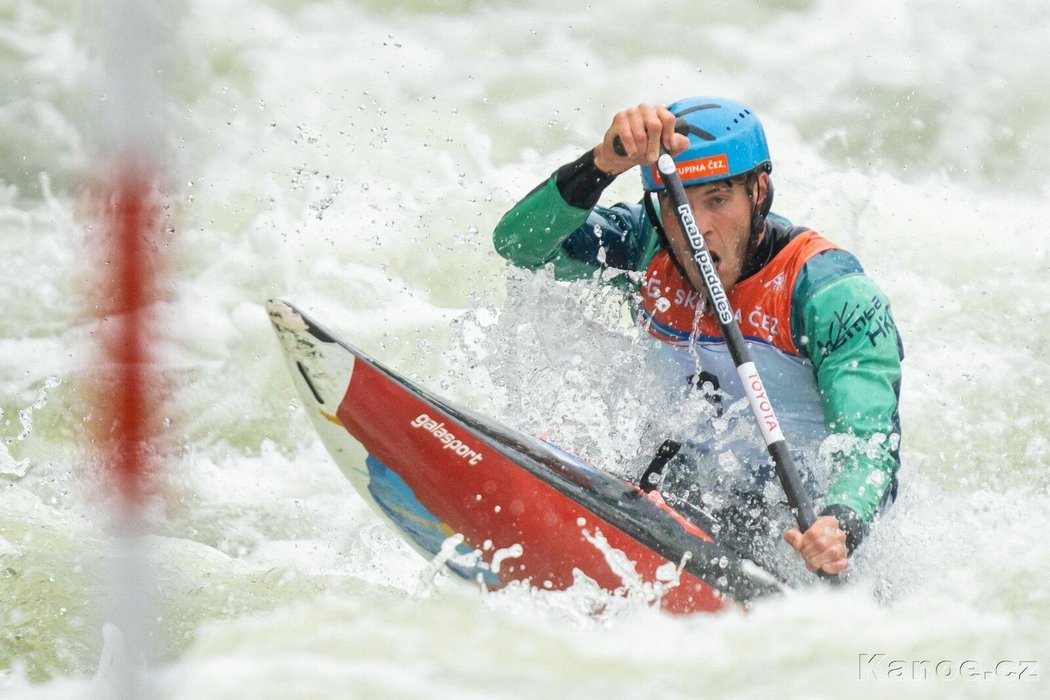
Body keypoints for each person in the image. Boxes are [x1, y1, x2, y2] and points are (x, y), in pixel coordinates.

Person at [491, 97, 903, 578]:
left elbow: (869, 444)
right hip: (672, 490)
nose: (697, 228)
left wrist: (841, 525)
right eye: (679, 202)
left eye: (718, 199)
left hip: (786, 533)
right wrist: (602, 165)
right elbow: (520, 247)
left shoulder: (828, 292)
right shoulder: (647, 244)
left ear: (759, 192)